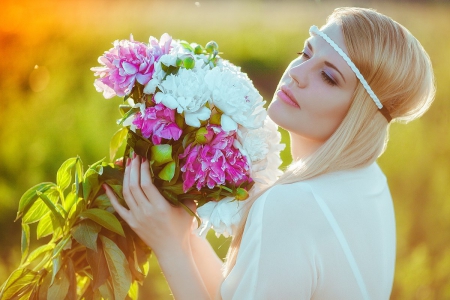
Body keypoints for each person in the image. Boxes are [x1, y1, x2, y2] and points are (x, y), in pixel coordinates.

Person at [104, 7, 435, 300]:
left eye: (328, 77)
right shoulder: (368, 181)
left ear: (360, 113)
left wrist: (169, 248)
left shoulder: (292, 206)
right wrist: (183, 234)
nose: (296, 73)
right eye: (306, 54)